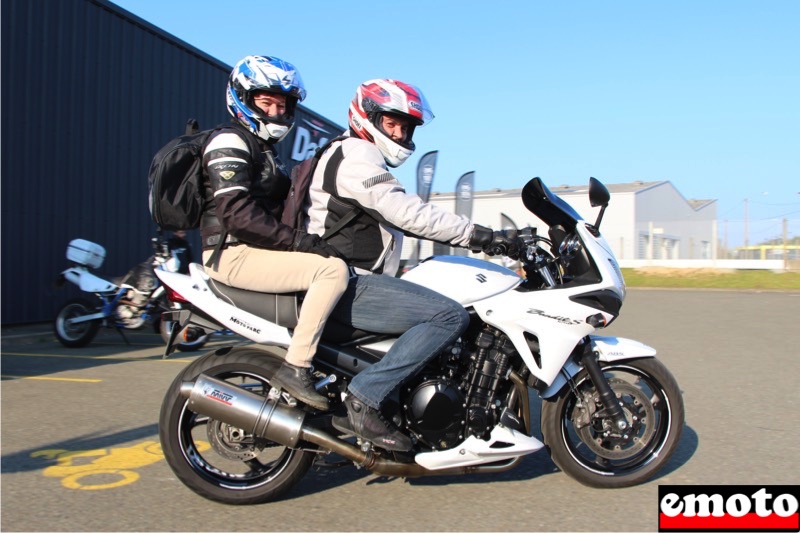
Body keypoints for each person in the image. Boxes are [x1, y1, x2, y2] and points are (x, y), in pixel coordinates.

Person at [304, 79, 523, 450]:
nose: (400, 133)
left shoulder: (355, 154)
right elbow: (406, 212)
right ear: (367, 116)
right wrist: (481, 236)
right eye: (392, 123)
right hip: (348, 284)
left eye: (406, 127)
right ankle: (364, 398)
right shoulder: (357, 155)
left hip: (353, 279)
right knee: (450, 317)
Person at [199, 55, 349, 411]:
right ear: (242, 98)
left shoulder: (263, 149)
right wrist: (298, 242)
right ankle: (296, 368)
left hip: (255, 250)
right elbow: (236, 214)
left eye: (282, 105)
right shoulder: (229, 142)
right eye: (266, 102)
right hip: (233, 254)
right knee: (330, 270)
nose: (276, 112)